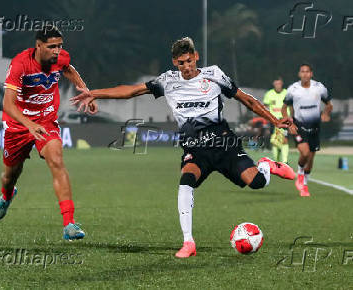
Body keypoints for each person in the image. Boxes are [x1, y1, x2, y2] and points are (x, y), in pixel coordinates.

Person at [70, 37, 296, 257]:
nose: (186, 67)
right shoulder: (167, 81)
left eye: (190, 61)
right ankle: (188, 242)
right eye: (181, 63)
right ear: (174, 63)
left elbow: (246, 99)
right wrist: (94, 93)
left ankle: (266, 165)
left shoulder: (214, 75)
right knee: (186, 180)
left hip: (224, 144)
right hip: (195, 149)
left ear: (196, 57)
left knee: (257, 182)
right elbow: (131, 91)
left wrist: (275, 120)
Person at [0, 26, 97, 240]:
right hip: (18, 124)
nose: (57, 51)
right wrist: (29, 124)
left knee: (57, 160)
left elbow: (67, 68)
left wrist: (84, 89)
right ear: (38, 46)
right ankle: (7, 195)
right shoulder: (20, 64)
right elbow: (8, 104)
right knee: (9, 176)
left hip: (46, 120)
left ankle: (69, 224)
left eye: (60, 46)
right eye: (52, 47)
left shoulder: (59, 57)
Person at [282, 64, 332, 197]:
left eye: (307, 72)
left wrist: (326, 114)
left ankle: (304, 186)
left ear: (311, 74)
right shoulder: (293, 89)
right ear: (299, 74)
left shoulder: (319, 87)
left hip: (315, 128)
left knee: (310, 161)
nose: (305, 74)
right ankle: (299, 174)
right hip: (299, 127)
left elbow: (329, 104)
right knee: (304, 153)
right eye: (302, 72)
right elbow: (284, 108)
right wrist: (289, 123)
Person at [263, 78, 289, 163]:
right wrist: (266, 119)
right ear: (273, 84)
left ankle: (285, 162)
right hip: (273, 120)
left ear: (282, 84)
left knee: (285, 139)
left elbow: (291, 105)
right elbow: (265, 107)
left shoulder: (287, 93)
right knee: (275, 141)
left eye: (279, 83)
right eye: (276, 84)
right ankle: (277, 161)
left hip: (284, 120)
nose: (278, 85)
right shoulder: (269, 94)